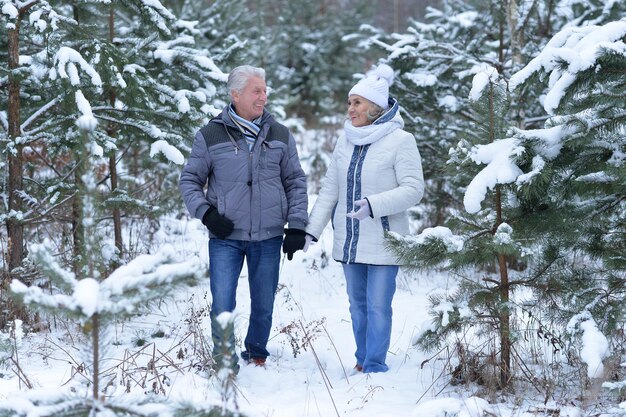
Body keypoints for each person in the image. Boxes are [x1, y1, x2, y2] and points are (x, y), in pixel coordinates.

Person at [179, 65, 308, 370]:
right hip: (225, 238)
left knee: (263, 304)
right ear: (235, 94)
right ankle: (224, 359)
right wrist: (207, 214)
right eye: (256, 91)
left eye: (265, 90)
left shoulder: (279, 134)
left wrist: (297, 226)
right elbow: (189, 181)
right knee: (223, 303)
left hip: (268, 235)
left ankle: (257, 353)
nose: (263, 97)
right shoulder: (211, 134)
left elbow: (295, 181)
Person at [305, 64, 424, 373]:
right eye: (349, 103)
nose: (350, 109)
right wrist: (311, 230)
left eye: (357, 103)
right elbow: (330, 188)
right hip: (350, 240)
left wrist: (374, 205)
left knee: (378, 306)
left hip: (385, 239)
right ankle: (361, 360)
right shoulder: (345, 141)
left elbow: (414, 190)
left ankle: (374, 365)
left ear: (375, 107)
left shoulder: (401, 141)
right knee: (357, 307)